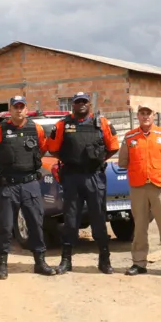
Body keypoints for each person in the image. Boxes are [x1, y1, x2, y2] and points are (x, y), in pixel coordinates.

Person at [0, 95, 57, 279]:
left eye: (22, 106)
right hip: (8, 185)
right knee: (5, 225)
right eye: (15, 107)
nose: (19, 110)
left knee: (36, 224)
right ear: (10, 110)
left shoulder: (35, 128)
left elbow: (43, 148)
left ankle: (40, 262)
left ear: (26, 109)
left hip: (30, 184)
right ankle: (2, 265)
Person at [47, 91, 119, 274]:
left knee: (99, 220)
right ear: (73, 105)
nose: (81, 105)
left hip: (94, 177)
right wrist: (71, 161)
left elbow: (112, 147)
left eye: (84, 102)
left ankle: (104, 261)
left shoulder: (101, 123)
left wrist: (98, 160)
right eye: (78, 102)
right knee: (70, 220)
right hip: (72, 177)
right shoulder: (62, 124)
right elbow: (53, 149)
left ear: (89, 104)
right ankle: (66, 261)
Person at [118, 104, 161, 278]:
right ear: (138, 115)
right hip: (138, 187)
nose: (145, 116)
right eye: (142, 113)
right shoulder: (129, 136)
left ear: (154, 115)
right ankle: (139, 263)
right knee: (139, 227)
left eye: (148, 113)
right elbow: (123, 161)